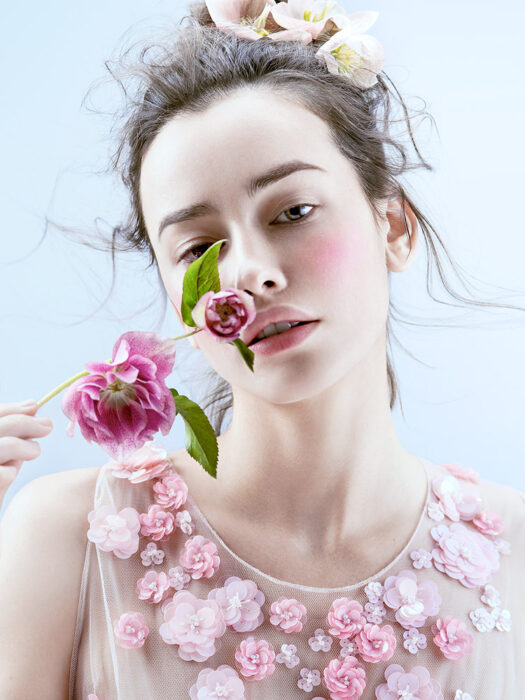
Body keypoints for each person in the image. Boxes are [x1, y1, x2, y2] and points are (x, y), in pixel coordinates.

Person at [0, 2, 523, 698]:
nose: (249, 275)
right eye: (197, 248)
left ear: (392, 225)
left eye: (292, 212)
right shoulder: (67, 538)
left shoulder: (513, 553)